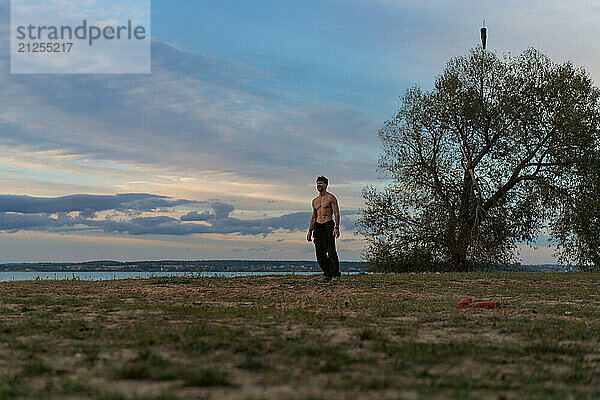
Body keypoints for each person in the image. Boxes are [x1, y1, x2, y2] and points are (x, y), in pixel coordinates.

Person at [306, 176, 341, 281]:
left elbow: (336, 213)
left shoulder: (331, 198)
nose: (318, 185)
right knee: (320, 253)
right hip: (318, 226)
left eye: (321, 183)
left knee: (331, 251)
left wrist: (337, 227)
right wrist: (309, 231)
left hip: (328, 225)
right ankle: (327, 273)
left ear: (326, 185)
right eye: (317, 183)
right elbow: (313, 216)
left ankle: (335, 274)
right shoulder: (314, 201)